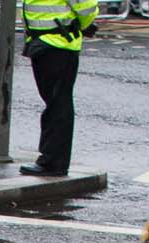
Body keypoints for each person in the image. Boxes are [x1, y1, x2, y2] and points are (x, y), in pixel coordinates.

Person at [19, 0, 97, 177]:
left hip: (58, 43)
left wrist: (83, 24)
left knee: (58, 105)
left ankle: (53, 163)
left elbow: (86, 6)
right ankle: (51, 160)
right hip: (46, 42)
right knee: (55, 104)